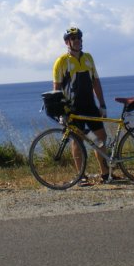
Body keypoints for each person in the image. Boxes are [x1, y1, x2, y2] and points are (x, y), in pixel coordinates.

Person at [52, 27, 111, 182]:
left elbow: (96, 82)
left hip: (90, 105)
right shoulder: (61, 62)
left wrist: (102, 104)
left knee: (101, 138)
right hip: (73, 108)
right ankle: (81, 177)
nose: (77, 40)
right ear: (67, 42)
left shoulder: (88, 58)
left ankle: (105, 174)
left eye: (79, 38)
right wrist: (60, 111)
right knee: (77, 141)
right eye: (73, 38)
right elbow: (56, 88)